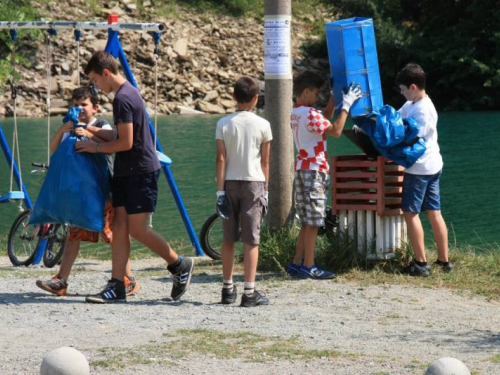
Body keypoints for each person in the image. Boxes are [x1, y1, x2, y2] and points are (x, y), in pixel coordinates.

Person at [76, 51, 194, 303]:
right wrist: (93, 132)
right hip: (125, 171)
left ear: (106, 73)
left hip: (140, 171)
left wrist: (94, 147)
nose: (95, 85)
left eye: (96, 79)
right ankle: (117, 284)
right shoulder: (125, 93)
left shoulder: (123, 98)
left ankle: (179, 264)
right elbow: (120, 134)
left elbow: (126, 142)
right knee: (119, 227)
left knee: (138, 229)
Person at [36, 87, 139, 297]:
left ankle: (127, 278)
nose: (79, 108)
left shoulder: (101, 125)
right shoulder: (70, 127)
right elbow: (54, 150)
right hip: (80, 195)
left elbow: (114, 143)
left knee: (113, 235)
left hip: (103, 191)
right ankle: (61, 280)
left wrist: (89, 135)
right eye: (75, 104)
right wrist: (61, 131)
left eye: (84, 104)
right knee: (74, 235)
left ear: (95, 108)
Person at [287, 70, 362, 279]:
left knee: (306, 220)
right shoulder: (310, 114)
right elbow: (336, 130)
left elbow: (326, 116)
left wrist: (334, 96)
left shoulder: (297, 112)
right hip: (314, 172)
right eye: (316, 93)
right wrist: (346, 105)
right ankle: (309, 266)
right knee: (313, 221)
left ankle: (296, 263)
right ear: (306, 92)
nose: (317, 97)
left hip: (302, 168)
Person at [215, 76, 272, 307]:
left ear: (233, 96)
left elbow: (220, 158)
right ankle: (249, 293)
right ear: (256, 98)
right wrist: (265, 190)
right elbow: (265, 162)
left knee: (228, 239)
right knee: (251, 240)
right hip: (254, 184)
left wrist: (220, 192)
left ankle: (227, 290)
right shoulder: (263, 125)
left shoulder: (223, 123)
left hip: (229, 183)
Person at [396, 63, 452, 277]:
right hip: (433, 165)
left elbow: (410, 136)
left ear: (413, 86)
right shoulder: (412, 103)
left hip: (420, 169)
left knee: (410, 213)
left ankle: (420, 263)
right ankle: (443, 261)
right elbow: (396, 116)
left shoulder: (424, 110)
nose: (402, 93)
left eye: (403, 89)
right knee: (433, 211)